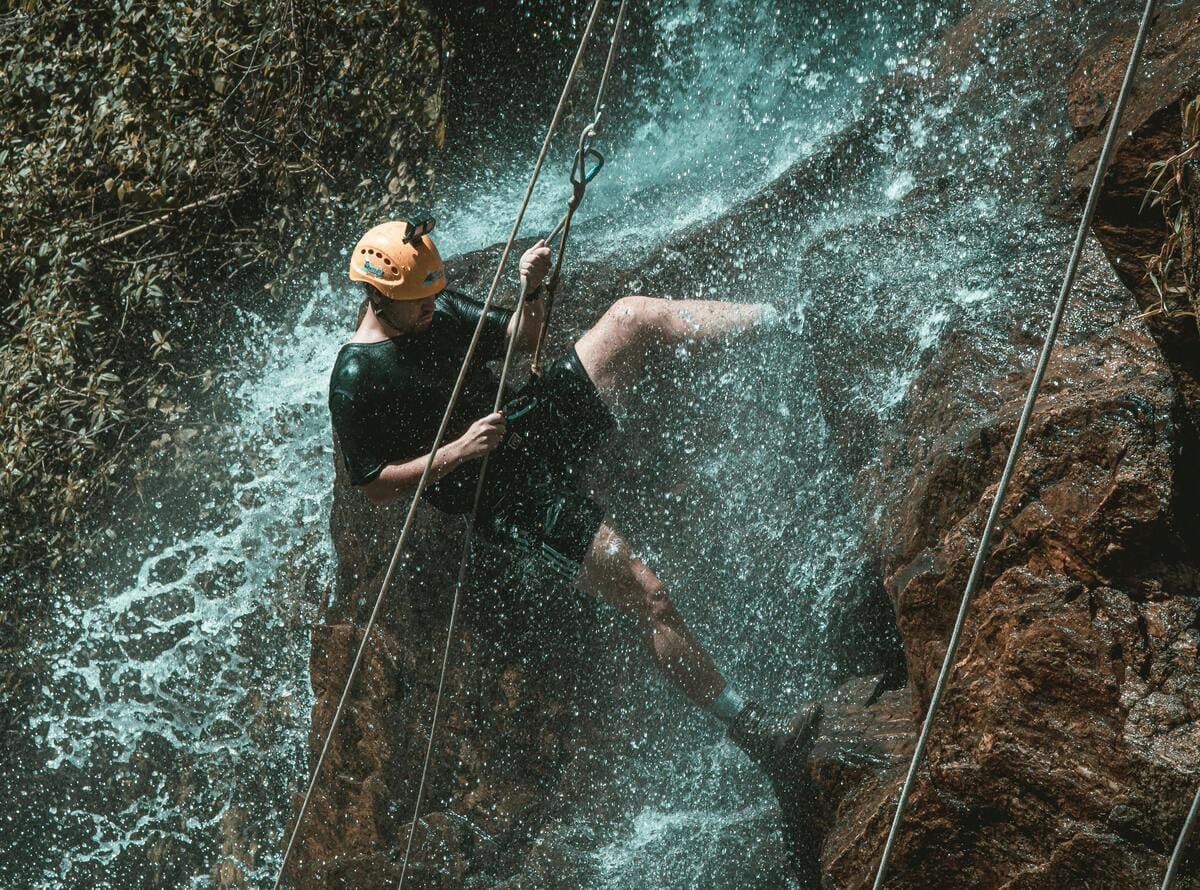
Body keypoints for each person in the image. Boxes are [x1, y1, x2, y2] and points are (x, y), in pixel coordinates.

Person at [328, 217, 820, 780]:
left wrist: (530, 289)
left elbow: (520, 341)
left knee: (631, 317)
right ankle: (757, 734)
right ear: (377, 295)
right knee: (648, 593)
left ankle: (793, 321)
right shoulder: (356, 377)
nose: (432, 310)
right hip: (505, 496)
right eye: (418, 302)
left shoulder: (432, 309)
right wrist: (459, 451)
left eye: (433, 297)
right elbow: (371, 484)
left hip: (523, 424)